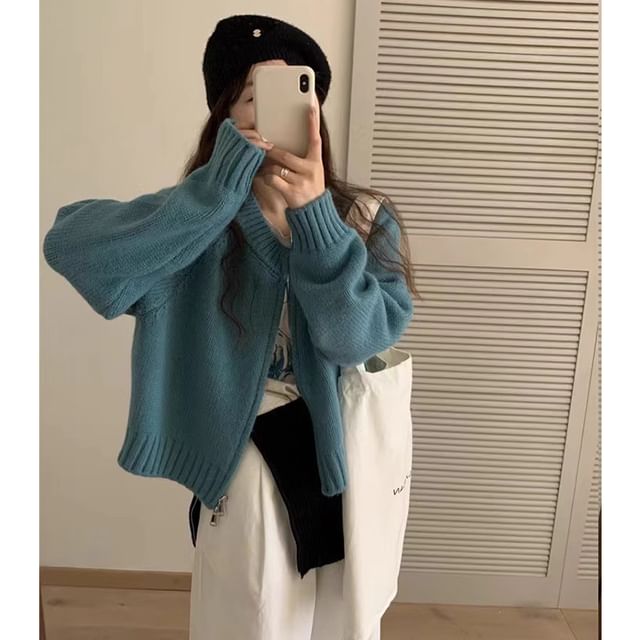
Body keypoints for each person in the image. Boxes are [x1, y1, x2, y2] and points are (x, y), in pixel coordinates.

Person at [43, 13, 418, 640]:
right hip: (245, 472)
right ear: (224, 120)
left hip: (349, 459)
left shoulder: (364, 219)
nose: (274, 115)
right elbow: (70, 247)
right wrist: (211, 195)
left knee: (341, 624)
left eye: (294, 95)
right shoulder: (194, 224)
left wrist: (316, 219)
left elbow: (356, 339)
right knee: (250, 616)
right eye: (252, 97)